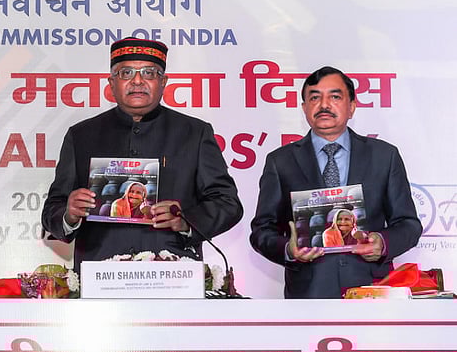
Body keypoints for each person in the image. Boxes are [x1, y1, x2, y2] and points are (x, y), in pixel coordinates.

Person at [41, 38, 243, 270]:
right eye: (126, 72)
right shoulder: (81, 135)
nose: (137, 81)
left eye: (149, 73)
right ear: (111, 82)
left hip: (173, 273)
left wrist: (185, 220)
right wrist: (69, 213)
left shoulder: (194, 133)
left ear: (163, 81)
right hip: (100, 276)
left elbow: (228, 203)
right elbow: (51, 211)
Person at [250, 66, 422, 298]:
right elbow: (262, 231)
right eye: (314, 97)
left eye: (335, 96)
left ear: (351, 106)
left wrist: (382, 243)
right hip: (308, 295)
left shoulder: (384, 156)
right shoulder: (280, 161)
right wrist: (289, 250)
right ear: (304, 108)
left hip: (372, 293)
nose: (324, 105)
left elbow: (408, 224)